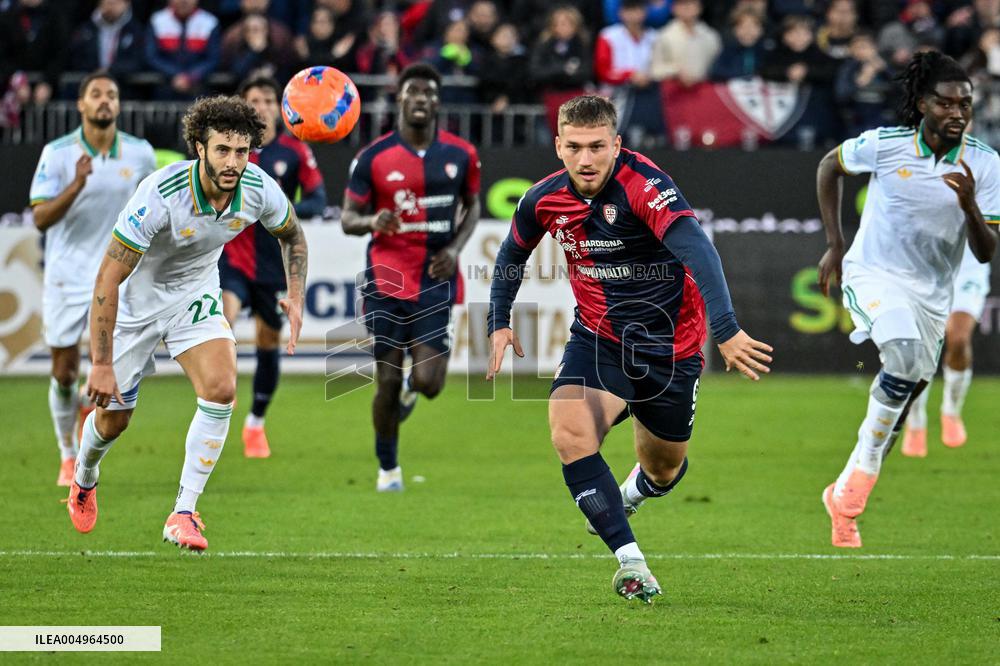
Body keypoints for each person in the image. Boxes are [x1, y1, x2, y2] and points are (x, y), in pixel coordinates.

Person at [488, 95, 772, 602]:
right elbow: (512, 252)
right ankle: (630, 562)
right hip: (600, 338)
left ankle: (629, 495)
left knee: (664, 467)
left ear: (617, 144)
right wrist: (497, 320)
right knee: (569, 430)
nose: (586, 159)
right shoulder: (543, 199)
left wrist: (725, 328)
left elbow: (697, 248)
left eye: (598, 146)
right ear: (558, 146)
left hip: (672, 349)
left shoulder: (645, 185)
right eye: (574, 147)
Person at [67, 96, 309, 551]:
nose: (234, 162)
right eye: (223, 150)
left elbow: (292, 234)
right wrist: (100, 363)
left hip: (194, 293)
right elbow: (108, 278)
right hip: (135, 304)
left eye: (242, 151)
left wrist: (296, 293)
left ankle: (183, 512)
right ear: (199, 148)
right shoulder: (161, 193)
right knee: (113, 421)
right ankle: (84, 476)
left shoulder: (258, 187)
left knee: (221, 388)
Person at [815, 51, 999, 549]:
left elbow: (985, 253)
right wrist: (836, 243)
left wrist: (970, 207)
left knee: (907, 391)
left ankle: (844, 495)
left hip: (933, 294)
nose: (958, 112)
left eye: (965, 103)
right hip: (874, 273)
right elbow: (830, 165)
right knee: (901, 360)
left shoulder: (985, 163)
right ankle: (860, 480)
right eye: (946, 102)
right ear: (923, 104)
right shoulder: (887, 146)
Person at [342, 63, 481, 493]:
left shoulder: (462, 154)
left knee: (429, 383)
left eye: (429, 91)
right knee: (384, 377)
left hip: (436, 279)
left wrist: (455, 250)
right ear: (399, 99)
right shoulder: (373, 157)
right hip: (386, 279)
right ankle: (388, 469)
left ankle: (412, 387)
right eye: (412, 91)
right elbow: (348, 218)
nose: (421, 98)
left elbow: (473, 207)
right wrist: (371, 221)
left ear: (438, 101)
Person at [29, 72, 156, 487]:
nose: (105, 101)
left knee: (110, 369)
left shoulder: (140, 155)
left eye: (112, 95)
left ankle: (83, 451)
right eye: (96, 95)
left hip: (117, 275)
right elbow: (41, 218)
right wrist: (77, 184)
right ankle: (66, 453)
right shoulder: (58, 153)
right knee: (65, 371)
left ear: (119, 106)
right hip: (67, 275)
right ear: (81, 105)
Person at [220, 76, 326, 458]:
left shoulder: (294, 151)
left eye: (268, 99)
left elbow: (318, 198)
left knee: (268, 341)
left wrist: (283, 212)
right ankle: (223, 382)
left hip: (273, 263)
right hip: (232, 255)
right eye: (255, 100)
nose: (263, 106)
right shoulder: (232, 149)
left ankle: (255, 424)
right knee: (223, 316)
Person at [902, 245, 991, 455]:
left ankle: (951, 410)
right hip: (924, 267)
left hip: (969, 268)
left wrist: (970, 212)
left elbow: (991, 232)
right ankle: (915, 421)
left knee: (959, 340)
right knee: (918, 347)